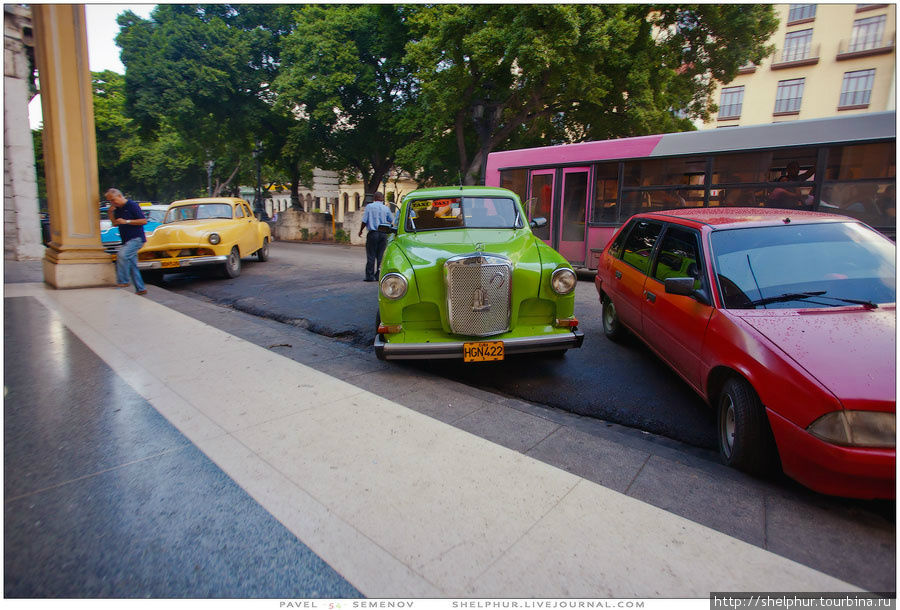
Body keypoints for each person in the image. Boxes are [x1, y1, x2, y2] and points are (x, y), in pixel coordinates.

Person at [106, 188, 149, 294]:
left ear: (120, 196)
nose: (112, 202)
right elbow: (115, 224)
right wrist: (111, 213)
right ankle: (140, 288)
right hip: (126, 239)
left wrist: (127, 221)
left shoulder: (132, 205)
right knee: (132, 264)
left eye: (113, 200)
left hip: (136, 239)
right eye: (110, 201)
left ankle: (123, 281)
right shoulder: (118, 209)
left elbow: (143, 221)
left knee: (122, 255)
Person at [358, 192, 394, 282]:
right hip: (383, 234)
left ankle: (369, 276)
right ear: (382, 198)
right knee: (381, 256)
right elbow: (391, 220)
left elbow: (364, 220)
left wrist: (361, 230)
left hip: (373, 233)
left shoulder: (369, 207)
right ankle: (379, 275)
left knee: (371, 255)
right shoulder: (386, 208)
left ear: (374, 198)